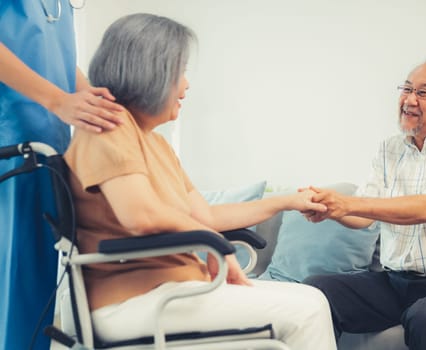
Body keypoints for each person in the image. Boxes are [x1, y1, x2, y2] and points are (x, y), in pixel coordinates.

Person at [63, 13, 337, 349]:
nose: (186, 85)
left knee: (311, 301)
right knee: (307, 310)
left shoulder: (155, 142)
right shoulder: (109, 128)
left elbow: (205, 216)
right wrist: (211, 241)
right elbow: (141, 216)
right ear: (152, 73)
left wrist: (286, 201)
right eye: (180, 73)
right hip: (132, 300)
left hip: (173, 291)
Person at [304, 56, 426, 350]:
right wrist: (331, 208)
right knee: (314, 292)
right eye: (407, 89)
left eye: (424, 92)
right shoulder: (390, 148)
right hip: (395, 284)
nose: (409, 99)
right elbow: (364, 216)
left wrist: (349, 204)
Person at [0, 1, 123, 349]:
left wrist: (87, 96)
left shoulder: (62, 6)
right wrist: (58, 101)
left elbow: (54, 58)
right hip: (12, 144)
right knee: (13, 284)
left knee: (36, 285)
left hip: (49, 149)